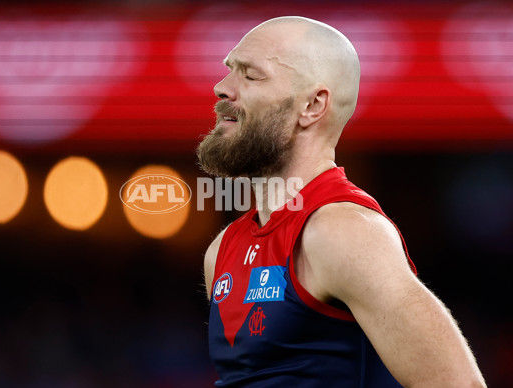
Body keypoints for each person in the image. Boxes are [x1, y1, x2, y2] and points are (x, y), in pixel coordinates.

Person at [197, 16, 486, 387]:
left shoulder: (343, 233)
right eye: (229, 71)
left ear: (313, 106)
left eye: (251, 76)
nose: (222, 87)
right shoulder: (222, 249)